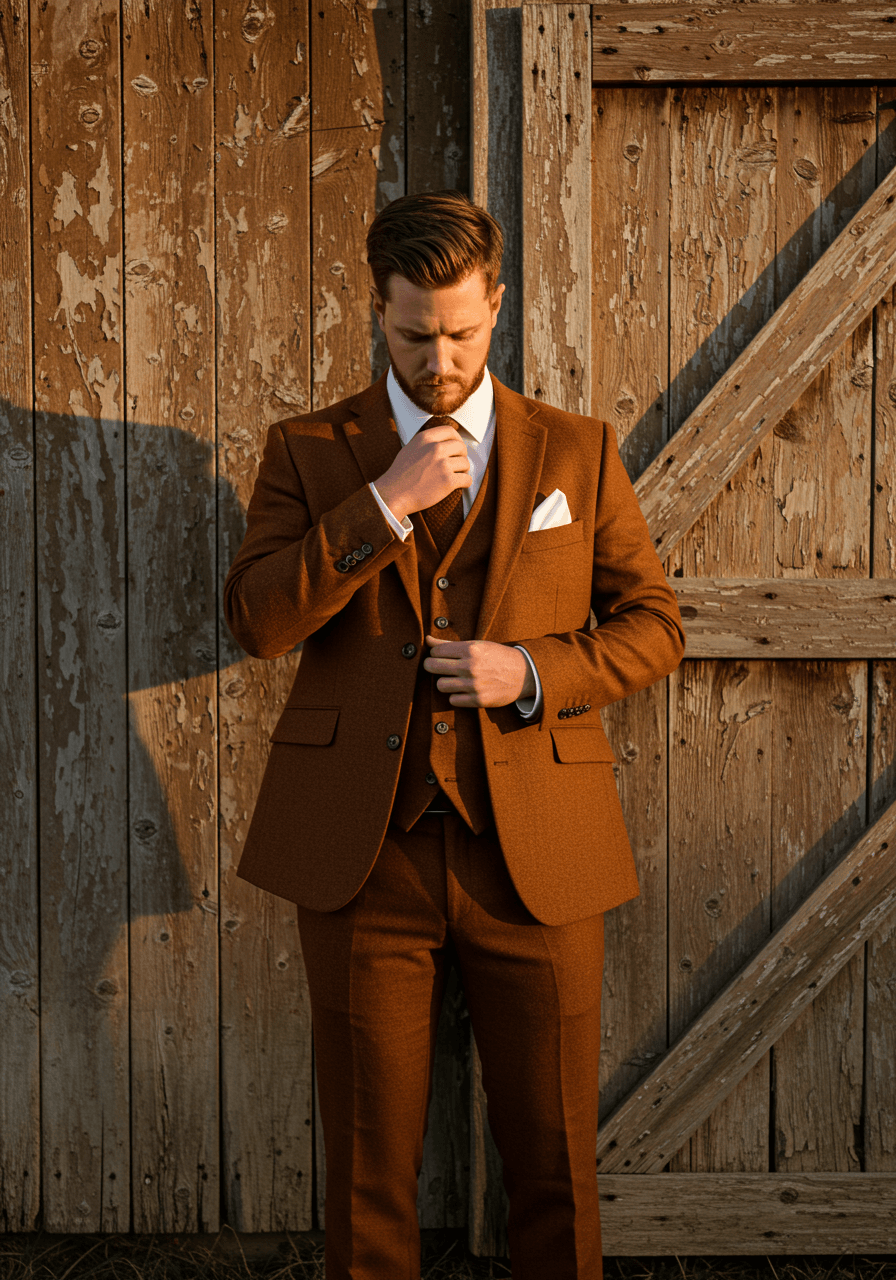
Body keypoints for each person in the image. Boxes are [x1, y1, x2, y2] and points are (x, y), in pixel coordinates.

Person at [223, 189, 685, 1280]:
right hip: (362, 856)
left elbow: (653, 625)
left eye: (463, 333)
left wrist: (529, 671)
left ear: (497, 307)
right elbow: (255, 620)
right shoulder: (307, 449)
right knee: (367, 1168)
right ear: (375, 311)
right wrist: (380, 503)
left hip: (536, 850)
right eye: (413, 335)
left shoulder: (575, 448)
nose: (439, 359)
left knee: (554, 1162)